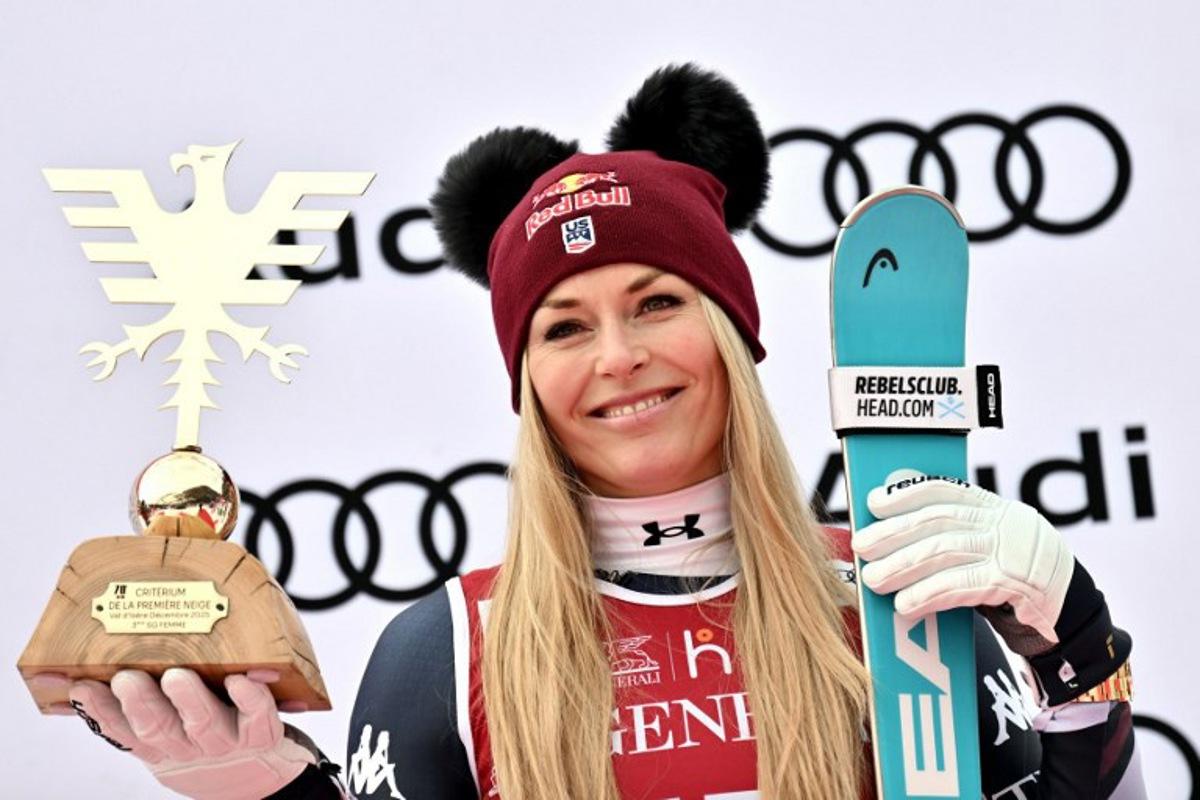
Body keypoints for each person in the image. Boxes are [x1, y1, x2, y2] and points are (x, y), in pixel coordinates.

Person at [44, 64, 1144, 799]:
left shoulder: (895, 597)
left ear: (733, 339)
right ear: (526, 386)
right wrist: (269, 790)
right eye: (564, 326)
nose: (618, 356)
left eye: (659, 303)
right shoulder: (447, 650)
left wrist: (1080, 648)